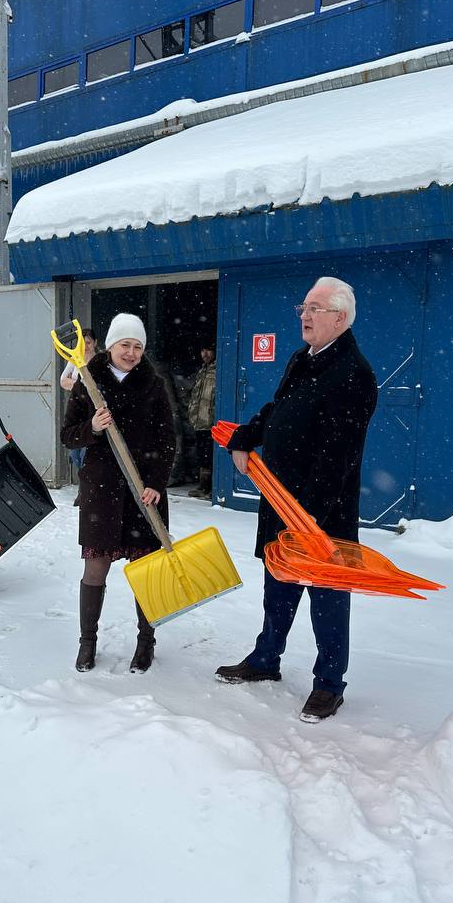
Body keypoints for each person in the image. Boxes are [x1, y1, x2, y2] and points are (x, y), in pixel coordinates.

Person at [215, 278, 377, 723]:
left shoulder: (354, 374)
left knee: (327, 599)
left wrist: (309, 519)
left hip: (319, 515)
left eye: (316, 308)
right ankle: (266, 659)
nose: (304, 315)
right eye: (303, 306)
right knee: (278, 588)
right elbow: (277, 411)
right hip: (281, 502)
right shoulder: (301, 360)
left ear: (340, 318)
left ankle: (329, 684)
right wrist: (246, 436)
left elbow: (339, 458)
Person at [61, 313, 176, 674]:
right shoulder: (87, 381)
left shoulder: (154, 384)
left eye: (138, 347)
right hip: (102, 488)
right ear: (111, 346)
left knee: (146, 570)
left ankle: (146, 641)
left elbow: (167, 439)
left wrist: (156, 482)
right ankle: (87, 643)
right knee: (95, 568)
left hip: (143, 490)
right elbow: (67, 435)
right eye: (125, 345)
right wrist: (92, 427)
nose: (131, 353)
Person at [59, 328, 99, 487]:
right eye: (82, 343)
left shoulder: (99, 362)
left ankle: (85, 488)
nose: (86, 346)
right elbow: (63, 381)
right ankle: (84, 485)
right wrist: (82, 386)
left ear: (95, 343)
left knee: (86, 453)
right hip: (76, 411)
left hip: (93, 412)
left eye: (88, 342)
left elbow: (97, 387)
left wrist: (77, 386)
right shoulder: (75, 360)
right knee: (75, 452)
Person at [186, 344, 217, 498]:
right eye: (202, 350)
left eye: (208, 350)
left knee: (211, 454)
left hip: (210, 421)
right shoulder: (201, 371)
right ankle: (203, 486)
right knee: (202, 455)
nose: (204, 354)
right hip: (199, 421)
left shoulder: (218, 371)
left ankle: (212, 488)